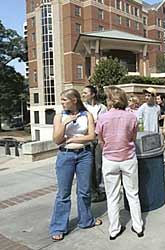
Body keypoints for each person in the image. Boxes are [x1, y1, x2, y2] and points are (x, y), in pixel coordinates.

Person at [49, 89, 102, 242]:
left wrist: (73, 140)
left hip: (84, 155)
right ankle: (58, 227)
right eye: (61, 100)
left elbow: (92, 136)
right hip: (65, 156)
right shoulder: (59, 116)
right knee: (63, 194)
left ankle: (86, 220)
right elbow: (57, 140)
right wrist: (65, 123)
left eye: (64, 100)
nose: (62, 103)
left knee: (84, 191)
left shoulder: (87, 115)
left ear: (74, 100)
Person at [96, 86, 144, 240]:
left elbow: (100, 140)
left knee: (112, 196)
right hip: (128, 157)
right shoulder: (132, 117)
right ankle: (138, 226)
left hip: (110, 159)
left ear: (110, 100)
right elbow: (133, 138)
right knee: (133, 194)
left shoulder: (103, 118)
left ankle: (114, 229)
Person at [81, 85, 107, 203]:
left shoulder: (103, 108)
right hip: (87, 139)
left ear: (93, 94)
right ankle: (91, 191)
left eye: (85, 92)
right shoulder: (82, 108)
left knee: (99, 165)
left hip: (99, 138)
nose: (83, 94)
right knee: (88, 166)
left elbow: (106, 122)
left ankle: (99, 189)